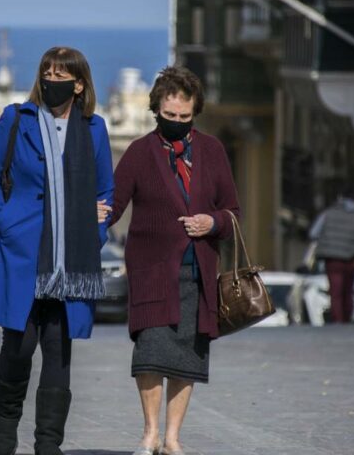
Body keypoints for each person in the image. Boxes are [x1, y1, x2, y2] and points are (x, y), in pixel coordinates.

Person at [0, 47, 114, 455]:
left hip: (72, 258)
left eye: (61, 76)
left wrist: (94, 231)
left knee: (58, 350)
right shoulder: (17, 119)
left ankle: (49, 442)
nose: (52, 81)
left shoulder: (94, 128)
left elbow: (105, 191)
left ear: (79, 84)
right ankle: (6, 420)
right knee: (18, 345)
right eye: (46, 74)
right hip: (23, 251)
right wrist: (3, 219)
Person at [98, 66, 240, 455]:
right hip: (151, 271)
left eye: (184, 116)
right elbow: (114, 202)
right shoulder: (139, 152)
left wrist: (212, 222)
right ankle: (150, 434)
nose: (176, 121)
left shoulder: (213, 151)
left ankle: (173, 438)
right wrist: (97, 214)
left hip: (198, 271)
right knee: (150, 353)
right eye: (169, 114)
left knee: (186, 357)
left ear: (195, 112)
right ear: (156, 109)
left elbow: (232, 213)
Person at [309, 191, 354, 323]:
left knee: (335, 292)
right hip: (351, 259)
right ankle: (347, 319)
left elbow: (313, 233)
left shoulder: (327, 214)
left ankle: (338, 320)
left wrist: (327, 240)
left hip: (332, 260)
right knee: (348, 291)